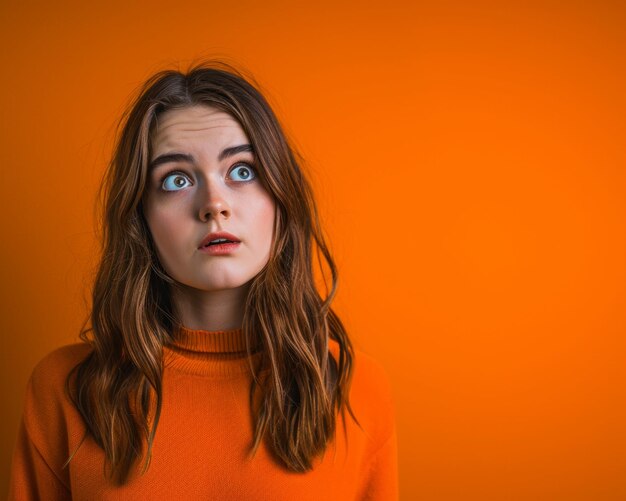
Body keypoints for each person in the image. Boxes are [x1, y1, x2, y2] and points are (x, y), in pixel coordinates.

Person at [8, 62, 399, 500]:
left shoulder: (355, 387)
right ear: (142, 219)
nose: (214, 204)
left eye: (243, 171)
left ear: (281, 196)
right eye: (176, 180)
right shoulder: (65, 388)